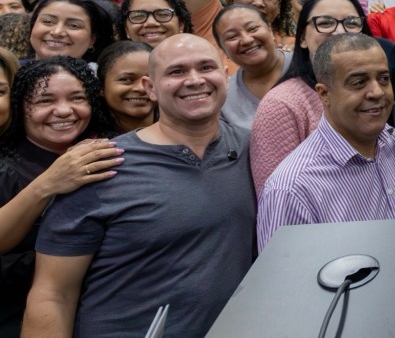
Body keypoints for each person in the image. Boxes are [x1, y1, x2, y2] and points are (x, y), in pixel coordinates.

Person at [23, 35, 255, 337]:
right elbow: (53, 295)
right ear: (151, 89)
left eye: (206, 67)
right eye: (177, 72)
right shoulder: (101, 164)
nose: (195, 80)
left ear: (225, 75)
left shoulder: (254, 148)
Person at [257, 33, 395, 251]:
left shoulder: (394, 145)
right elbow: (283, 281)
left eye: (384, 79)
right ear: (324, 93)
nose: (377, 92)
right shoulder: (291, 190)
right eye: (359, 82)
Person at [0, 56, 120, 334]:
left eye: (77, 98)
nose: (64, 111)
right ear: (21, 107)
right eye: (45, 101)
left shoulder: (112, 151)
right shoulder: (6, 168)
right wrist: (49, 182)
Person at [249, 0, 395, 194]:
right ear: (303, 38)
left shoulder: (379, 89)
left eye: (351, 23)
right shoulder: (282, 105)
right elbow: (277, 197)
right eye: (324, 23)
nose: (340, 32)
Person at [214, 4, 291, 131]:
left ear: (270, 30)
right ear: (223, 49)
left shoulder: (307, 65)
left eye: (253, 29)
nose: (246, 40)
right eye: (232, 37)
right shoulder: (225, 99)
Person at [28, 0, 114, 63]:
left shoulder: (104, 81)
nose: (57, 32)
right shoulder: (14, 74)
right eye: (47, 21)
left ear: (92, 39)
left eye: (74, 26)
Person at [96, 41, 156, 133]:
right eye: (127, 80)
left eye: (150, 79)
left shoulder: (183, 131)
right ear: (101, 87)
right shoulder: (92, 145)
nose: (141, 88)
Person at [115, 0, 191, 47]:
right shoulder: (114, 65)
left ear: (181, 24)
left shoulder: (200, 59)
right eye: (138, 16)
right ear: (126, 29)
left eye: (163, 14)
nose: (151, 23)